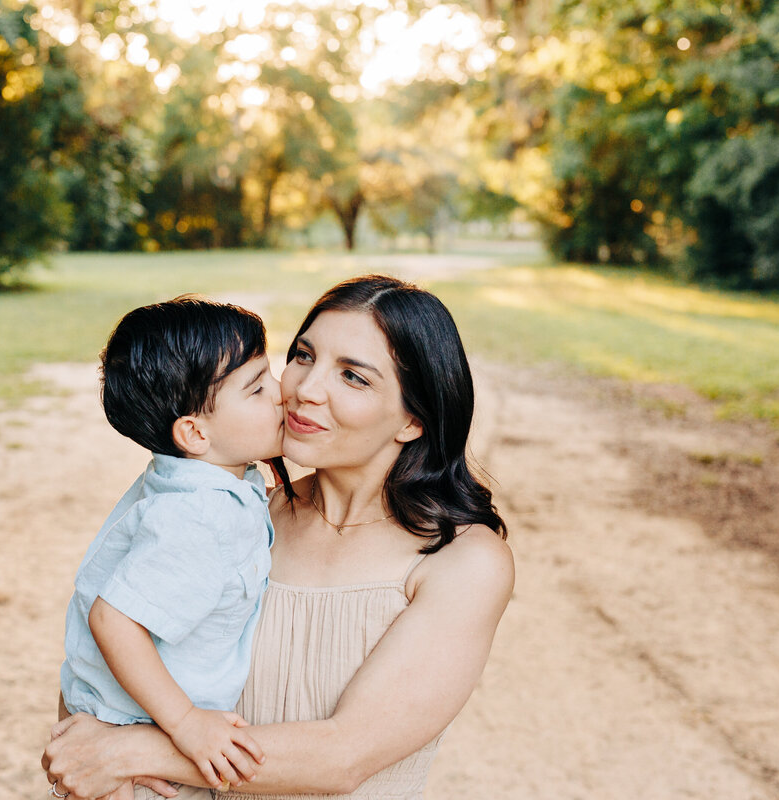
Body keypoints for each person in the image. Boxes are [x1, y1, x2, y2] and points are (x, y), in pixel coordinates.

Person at [43, 275, 514, 800]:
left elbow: (343, 758)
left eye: (353, 377)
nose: (304, 390)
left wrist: (130, 752)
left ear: (412, 420)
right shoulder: (234, 512)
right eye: (304, 356)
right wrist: (87, 735)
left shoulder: (462, 561)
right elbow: (102, 633)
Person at [56, 297, 287, 800]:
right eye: (256, 388)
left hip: (122, 722)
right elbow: (113, 619)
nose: (282, 392)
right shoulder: (201, 516)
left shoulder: (209, 477)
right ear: (195, 433)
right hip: (141, 750)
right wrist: (186, 724)